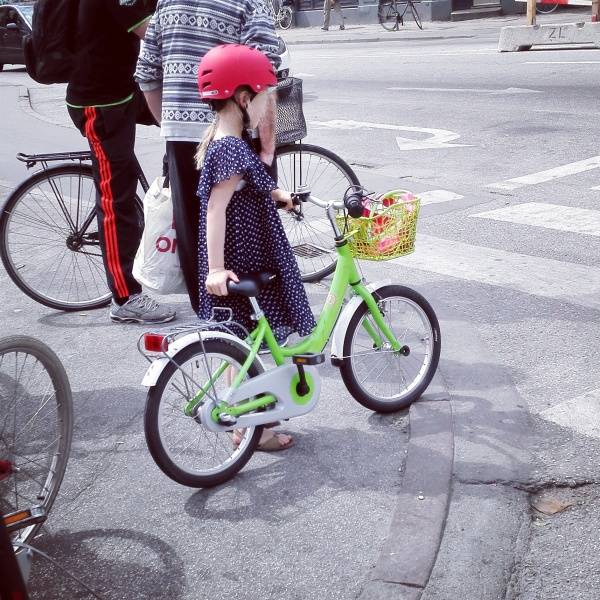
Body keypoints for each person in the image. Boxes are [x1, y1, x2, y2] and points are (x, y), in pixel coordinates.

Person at [195, 44, 316, 451]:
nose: (267, 108)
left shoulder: (225, 140)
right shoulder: (230, 147)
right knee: (243, 341)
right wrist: (215, 269)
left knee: (241, 343)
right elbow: (216, 208)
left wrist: (279, 194)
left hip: (243, 252)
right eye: (265, 99)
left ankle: (245, 424)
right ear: (244, 98)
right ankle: (253, 429)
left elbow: (246, 186)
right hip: (239, 258)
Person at [135, 1, 281, 316]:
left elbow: (147, 70)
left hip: (179, 135)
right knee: (246, 233)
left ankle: (210, 318)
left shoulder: (167, 2)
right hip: (235, 130)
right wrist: (267, 149)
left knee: (195, 235)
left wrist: (171, 125)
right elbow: (266, 72)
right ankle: (250, 322)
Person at [66, 0, 175, 324]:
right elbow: (151, 32)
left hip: (123, 91)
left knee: (181, 124)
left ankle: (172, 205)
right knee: (117, 199)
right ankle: (125, 298)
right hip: (100, 102)